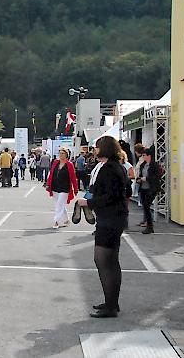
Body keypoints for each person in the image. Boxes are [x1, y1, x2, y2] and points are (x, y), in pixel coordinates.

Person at [76, 136, 131, 318]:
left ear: (104, 148)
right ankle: (111, 302)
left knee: (103, 261)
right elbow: (126, 192)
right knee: (110, 261)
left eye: (97, 147)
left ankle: (111, 305)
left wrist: (89, 202)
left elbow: (111, 197)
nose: (94, 149)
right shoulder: (118, 166)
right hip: (114, 218)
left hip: (110, 219)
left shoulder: (109, 169)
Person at [46, 148, 79, 229]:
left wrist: (75, 188)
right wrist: (48, 184)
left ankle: (56, 221)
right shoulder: (55, 162)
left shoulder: (69, 164)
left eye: (63, 153)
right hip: (55, 187)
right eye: (60, 153)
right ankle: (66, 220)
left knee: (59, 204)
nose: (61, 155)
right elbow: (51, 174)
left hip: (65, 188)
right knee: (60, 204)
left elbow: (73, 177)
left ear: (66, 155)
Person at [137, 148, 161, 235]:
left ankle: (150, 226)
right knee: (145, 206)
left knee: (147, 206)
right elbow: (140, 175)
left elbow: (157, 177)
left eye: (144, 155)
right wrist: (139, 179)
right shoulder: (143, 165)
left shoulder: (154, 165)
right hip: (143, 187)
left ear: (149, 156)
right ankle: (148, 224)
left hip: (151, 189)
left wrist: (146, 178)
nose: (143, 157)